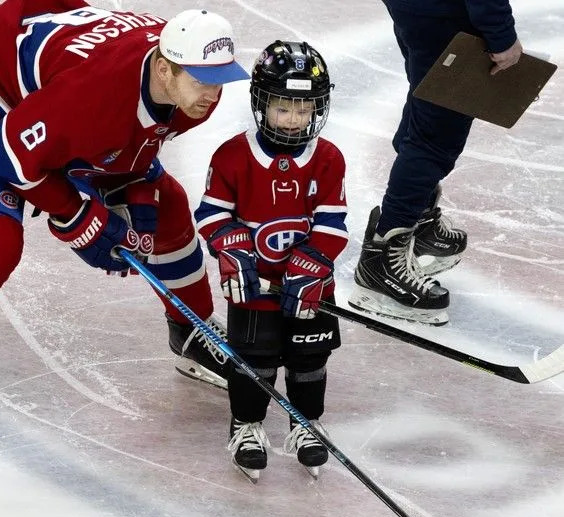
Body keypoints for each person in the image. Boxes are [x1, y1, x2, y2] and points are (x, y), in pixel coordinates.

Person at [0, 0, 250, 485]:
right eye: (200, 80)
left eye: (219, 79)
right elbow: (13, 155)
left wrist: (139, 203)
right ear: (164, 67)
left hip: (53, 96)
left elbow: (128, 143)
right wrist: (81, 217)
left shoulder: (187, 90)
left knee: (168, 205)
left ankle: (191, 329)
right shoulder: (96, 95)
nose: (211, 94)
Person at [195, 41, 347, 481]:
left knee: (309, 358)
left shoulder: (328, 158)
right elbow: (212, 213)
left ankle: (306, 422)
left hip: (310, 289)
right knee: (254, 359)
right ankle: (246, 426)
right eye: (284, 108)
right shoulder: (232, 155)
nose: (294, 119)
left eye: (304, 109)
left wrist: (314, 262)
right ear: (262, 103)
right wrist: (234, 251)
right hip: (254, 287)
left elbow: (333, 221)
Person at [349, 0, 523, 325]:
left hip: (417, 11)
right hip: (445, 15)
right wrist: (500, 33)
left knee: (425, 102)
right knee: (435, 137)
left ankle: (420, 221)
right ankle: (382, 265)